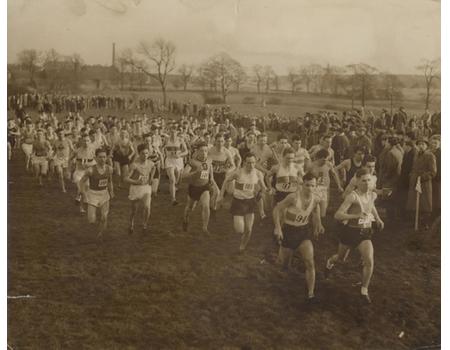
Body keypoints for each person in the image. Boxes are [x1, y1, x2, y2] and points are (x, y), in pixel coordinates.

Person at [325, 167, 384, 304]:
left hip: (365, 232)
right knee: (341, 259)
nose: (367, 183)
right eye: (364, 181)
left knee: (369, 260)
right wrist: (356, 215)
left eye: (369, 180)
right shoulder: (352, 196)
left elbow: (371, 206)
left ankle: (364, 290)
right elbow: (337, 215)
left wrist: (378, 218)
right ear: (357, 181)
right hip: (350, 232)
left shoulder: (372, 194)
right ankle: (329, 263)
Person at [273, 172, 324, 303]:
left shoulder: (316, 198)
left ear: (316, 185)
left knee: (309, 262)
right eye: (307, 185)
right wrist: (278, 227)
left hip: (303, 232)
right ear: (302, 184)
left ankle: (311, 293)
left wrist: (318, 223)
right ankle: (284, 267)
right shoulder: (293, 197)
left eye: (313, 185)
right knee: (284, 264)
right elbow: (277, 209)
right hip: (289, 231)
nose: (310, 188)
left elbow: (316, 208)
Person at [219, 152, 268, 252]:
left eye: (253, 163)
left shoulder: (258, 173)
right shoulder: (238, 173)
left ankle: (242, 246)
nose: (251, 165)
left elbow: (263, 186)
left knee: (249, 229)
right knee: (240, 230)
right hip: (238, 202)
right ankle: (236, 218)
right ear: (244, 162)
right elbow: (226, 181)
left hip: (250, 202)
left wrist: (267, 190)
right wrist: (221, 195)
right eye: (249, 163)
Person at [182, 142, 217, 234]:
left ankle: (205, 227)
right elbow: (183, 175)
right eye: (201, 151)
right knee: (190, 207)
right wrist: (195, 173)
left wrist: (212, 177)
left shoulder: (209, 160)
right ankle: (185, 220)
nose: (204, 153)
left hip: (204, 187)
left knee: (206, 206)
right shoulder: (192, 162)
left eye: (206, 151)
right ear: (197, 151)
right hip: (194, 188)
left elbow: (210, 167)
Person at [80, 148, 114, 239]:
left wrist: (111, 191)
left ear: (106, 158)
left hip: (104, 194)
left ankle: (100, 234)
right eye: (100, 157)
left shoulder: (110, 169)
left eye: (104, 157)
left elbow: (110, 181)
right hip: (93, 194)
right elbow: (81, 181)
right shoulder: (90, 170)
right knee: (91, 220)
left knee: (104, 217)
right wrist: (84, 194)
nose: (102, 159)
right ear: (95, 158)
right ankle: (96, 219)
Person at [124, 144, 155, 235]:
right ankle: (131, 223)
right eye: (142, 153)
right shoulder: (134, 165)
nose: (145, 155)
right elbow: (125, 178)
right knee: (134, 210)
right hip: (135, 188)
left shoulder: (151, 163)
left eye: (146, 153)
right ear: (138, 154)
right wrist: (135, 182)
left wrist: (151, 178)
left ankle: (144, 225)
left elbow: (154, 168)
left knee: (147, 207)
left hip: (146, 188)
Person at [406, 138, 437, 229]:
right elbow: (414, 168)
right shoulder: (416, 155)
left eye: (423, 144)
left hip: (424, 184)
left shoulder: (430, 156)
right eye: (419, 144)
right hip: (415, 182)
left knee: (425, 205)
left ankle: (425, 223)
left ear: (426, 146)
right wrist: (411, 175)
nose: (421, 146)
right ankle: (416, 222)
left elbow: (433, 172)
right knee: (415, 204)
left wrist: (422, 177)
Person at [306, 148, 343, 219]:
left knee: (323, 211)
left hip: (324, 189)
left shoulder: (328, 164)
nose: (325, 161)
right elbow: (304, 177)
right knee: (312, 209)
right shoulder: (311, 166)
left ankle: (321, 223)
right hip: (314, 189)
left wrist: (339, 186)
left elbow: (334, 174)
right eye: (323, 160)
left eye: (326, 159)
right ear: (318, 158)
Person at [208, 133, 236, 216]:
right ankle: (212, 210)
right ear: (215, 141)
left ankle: (213, 207)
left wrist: (227, 170)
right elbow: (205, 162)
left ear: (224, 142)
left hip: (222, 176)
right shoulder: (210, 150)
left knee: (222, 194)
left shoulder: (227, 152)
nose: (220, 143)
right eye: (218, 141)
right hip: (211, 175)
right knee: (215, 192)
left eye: (221, 141)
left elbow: (233, 165)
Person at [164, 126, 188, 205]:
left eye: (174, 132)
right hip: (169, 161)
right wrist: (164, 154)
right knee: (172, 179)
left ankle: (174, 187)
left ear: (177, 132)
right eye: (171, 132)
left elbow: (186, 151)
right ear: (169, 131)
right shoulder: (166, 139)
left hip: (178, 161)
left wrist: (180, 155)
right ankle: (173, 199)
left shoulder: (180, 140)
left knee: (177, 180)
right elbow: (161, 148)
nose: (173, 133)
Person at [53, 128, 74, 193]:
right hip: (58, 159)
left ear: (64, 134)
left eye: (62, 134)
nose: (60, 135)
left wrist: (71, 158)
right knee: (60, 173)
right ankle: (63, 188)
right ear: (57, 134)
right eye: (59, 134)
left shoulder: (68, 141)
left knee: (67, 177)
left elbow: (72, 150)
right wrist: (52, 156)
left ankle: (67, 178)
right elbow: (54, 150)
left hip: (66, 159)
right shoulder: (55, 141)